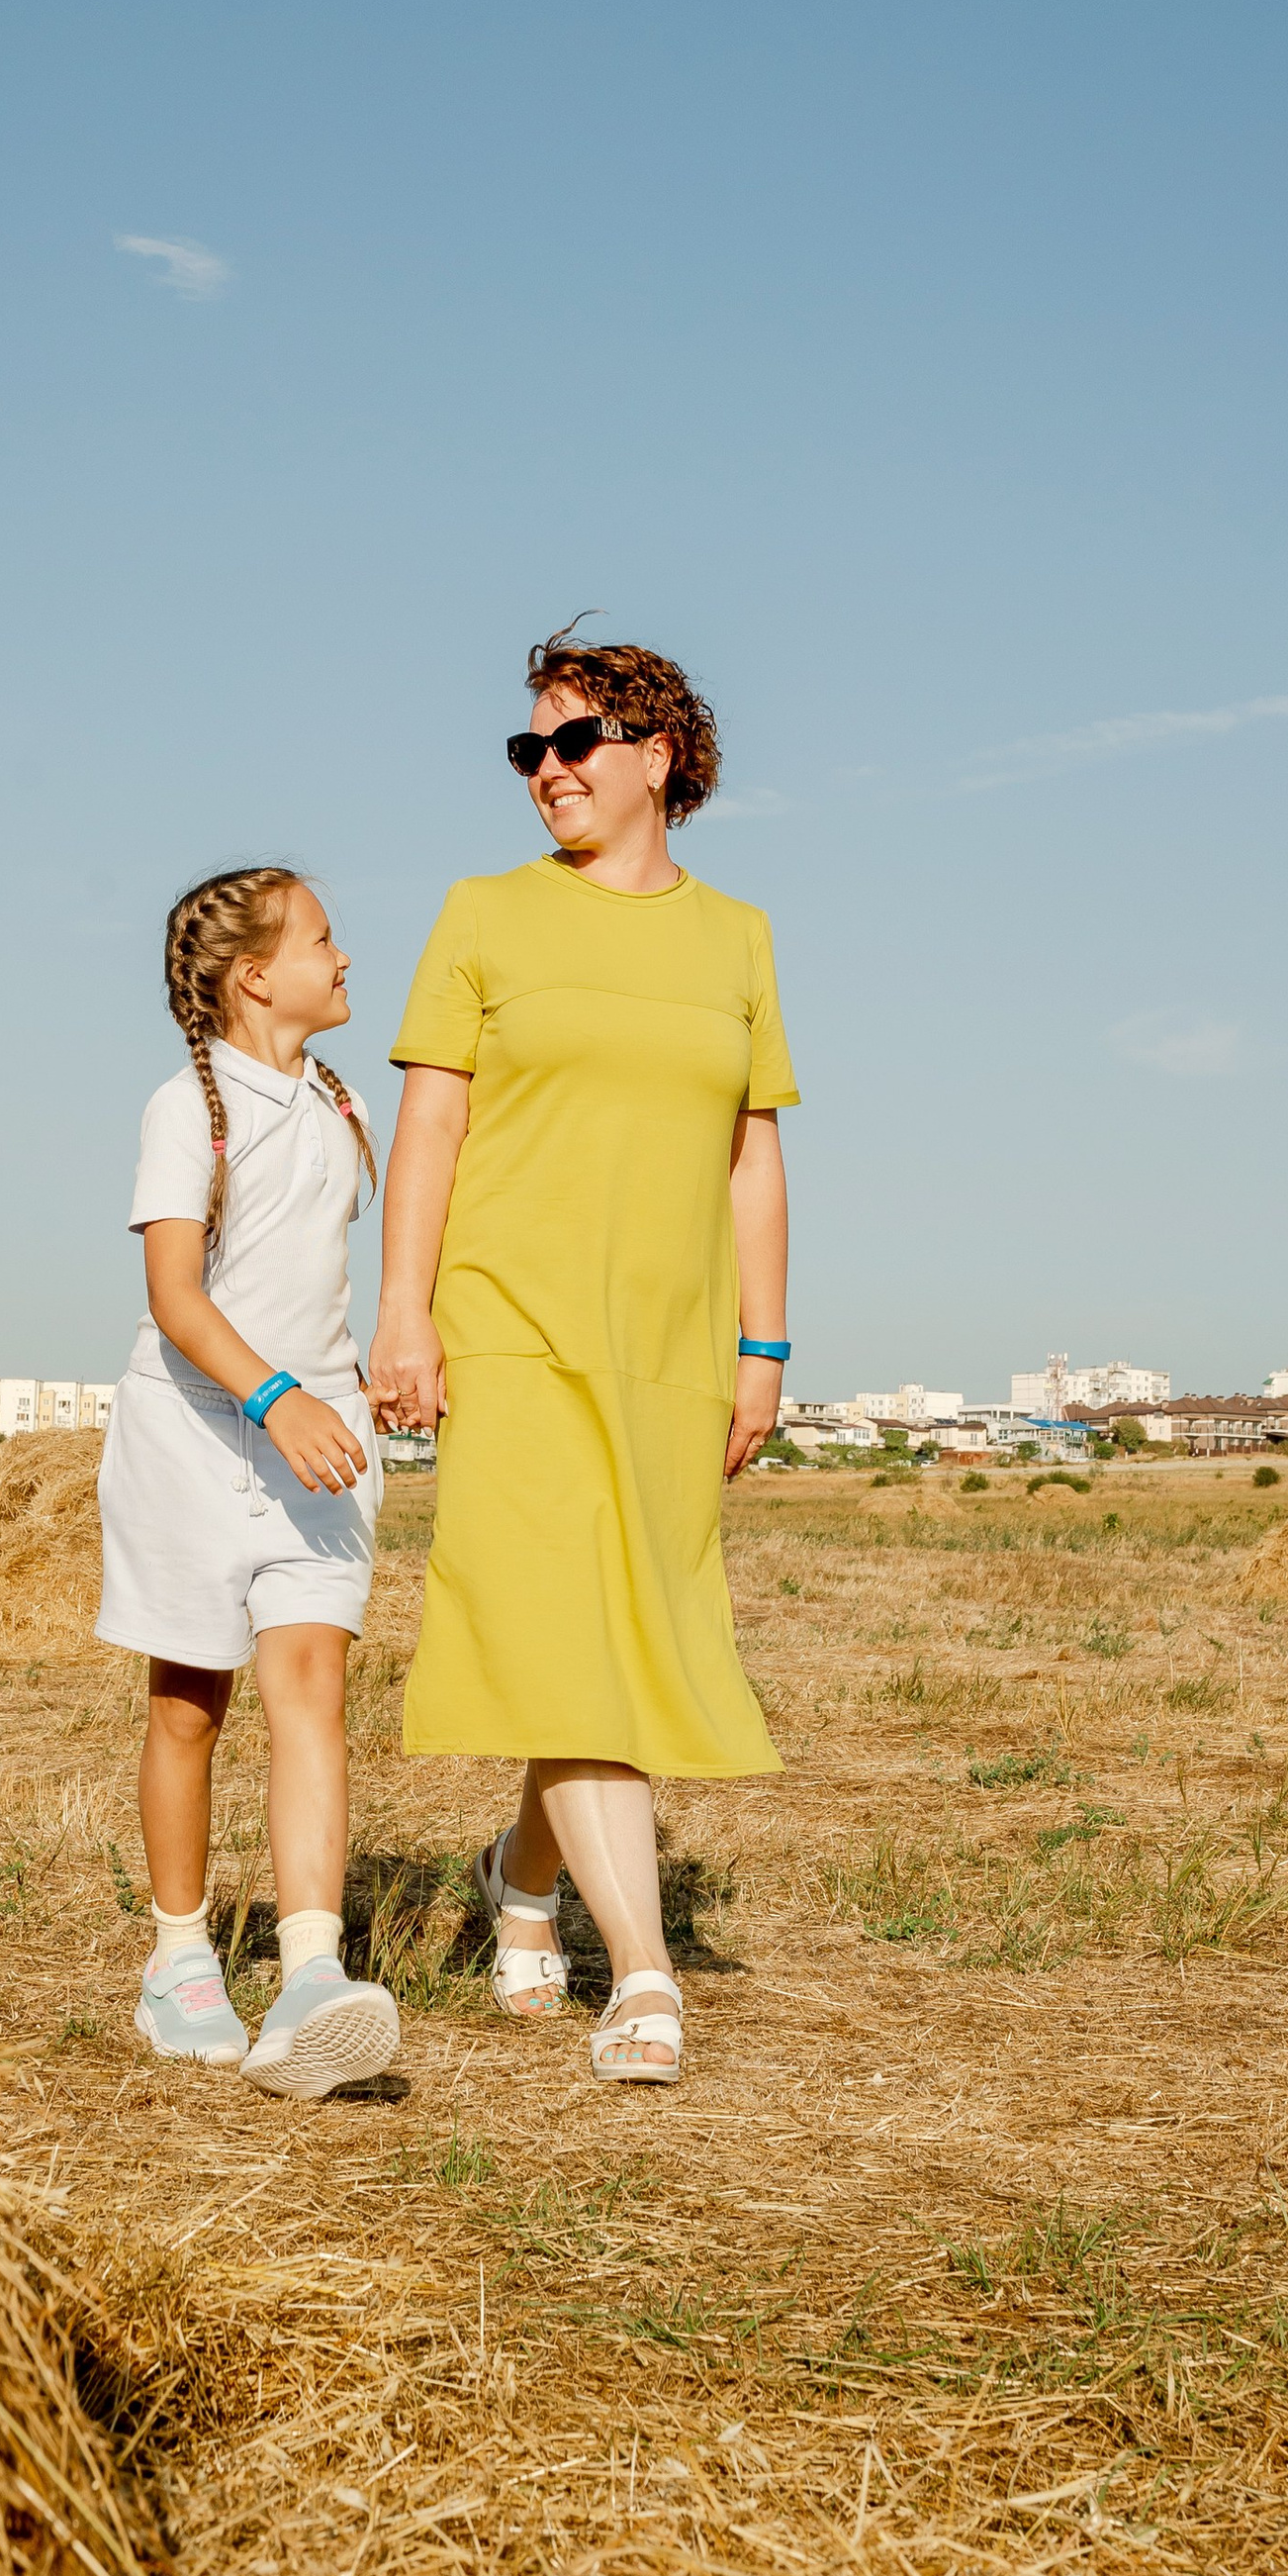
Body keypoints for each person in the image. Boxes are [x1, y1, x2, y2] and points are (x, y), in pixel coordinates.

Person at [368, 629, 794, 2087]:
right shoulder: (484, 914)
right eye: (527, 749)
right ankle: (648, 1976)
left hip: (670, 1341)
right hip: (512, 1324)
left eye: (572, 741)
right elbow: (431, 1124)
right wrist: (405, 1311)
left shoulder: (738, 938)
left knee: (620, 1631)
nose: (544, 770)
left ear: (658, 758)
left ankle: (521, 1873)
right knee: (569, 1628)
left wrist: (762, 1345)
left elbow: (752, 1154)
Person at [95, 864, 403, 2101]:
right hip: (196, 1435)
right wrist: (277, 1399)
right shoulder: (186, 1106)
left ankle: (312, 1976)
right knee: (188, 1705)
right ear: (256, 975)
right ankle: (179, 1963)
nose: (346, 957)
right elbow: (175, 1297)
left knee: (313, 1682)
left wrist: (363, 1378)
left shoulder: (344, 1101)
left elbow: (318, 1278)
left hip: (319, 1440)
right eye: (325, 939)